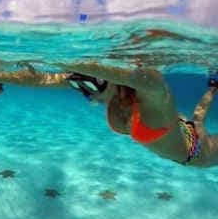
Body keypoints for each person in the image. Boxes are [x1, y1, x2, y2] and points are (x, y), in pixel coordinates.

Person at [58, 63, 218, 166]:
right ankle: (213, 86)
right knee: (197, 120)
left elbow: (199, 114)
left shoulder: (137, 99)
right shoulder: (138, 107)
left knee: (197, 118)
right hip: (198, 153)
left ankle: (213, 86)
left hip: (190, 133)